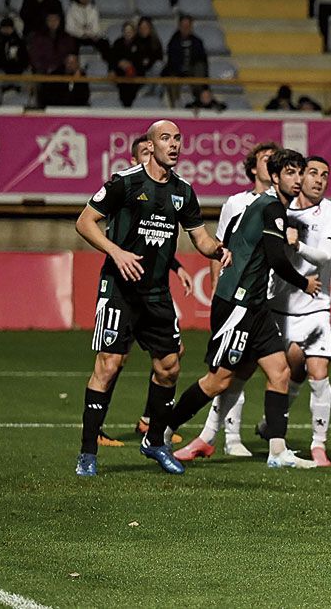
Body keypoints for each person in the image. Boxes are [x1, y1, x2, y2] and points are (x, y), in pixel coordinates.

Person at [73, 120, 230, 477]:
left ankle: (154, 440)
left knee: (169, 365)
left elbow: (200, 239)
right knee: (108, 364)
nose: (173, 145)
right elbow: (84, 222)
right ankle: (87, 453)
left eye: (177, 139)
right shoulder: (125, 182)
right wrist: (116, 252)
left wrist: (218, 249)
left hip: (157, 293)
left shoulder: (184, 192)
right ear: (151, 144)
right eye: (165, 138)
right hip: (119, 289)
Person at [149, 148, 322, 471]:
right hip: (238, 305)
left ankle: (277, 451)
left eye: (301, 172)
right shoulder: (271, 208)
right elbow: (275, 256)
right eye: (289, 172)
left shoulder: (268, 206)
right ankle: (160, 434)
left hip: (255, 306)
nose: (297, 180)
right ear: (274, 176)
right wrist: (304, 283)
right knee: (217, 381)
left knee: (280, 372)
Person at [175, 142, 281, 462]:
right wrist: (218, 289)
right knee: (228, 369)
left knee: (250, 369)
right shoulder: (236, 203)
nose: (271, 166)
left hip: (270, 298)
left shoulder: (282, 205)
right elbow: (220, 247)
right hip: (238, 298)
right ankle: (228, 436)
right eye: (266, 160)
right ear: (253, 168)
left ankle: (220, 436)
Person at [268, 156, 331, 467]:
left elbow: (324, 256)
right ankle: (267, 427)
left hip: (316, 306)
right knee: (288, 371)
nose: (319, 180)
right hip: (281, 306)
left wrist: (297, 245)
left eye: (325, 175)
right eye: (313, 173)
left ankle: (318, 445)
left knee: (319, 373)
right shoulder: (280, 210)